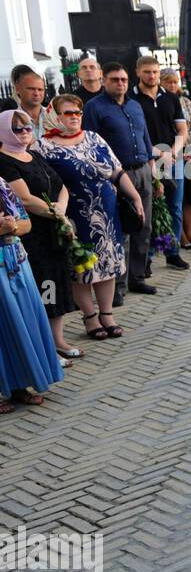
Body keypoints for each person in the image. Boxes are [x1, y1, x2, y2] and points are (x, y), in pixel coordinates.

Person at [37, 94, 137, 342]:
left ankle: (107, 314)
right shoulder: (42, 146)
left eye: (78, 113)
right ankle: (90, 317)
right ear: (54, 115)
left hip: (107, 213)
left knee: (109, 263)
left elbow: (116, 169)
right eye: (68, 112)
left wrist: (134, 197)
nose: (74, 117)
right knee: (82, 268)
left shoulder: (93, 137)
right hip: (75, 215)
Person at [0, 110, 79, 358]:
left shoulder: (33, 155)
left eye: (27, 127)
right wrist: (58, 215)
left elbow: (61, 186)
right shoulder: (3, 160)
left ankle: (58, 341)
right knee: (39, 290)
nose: (25, 132)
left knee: (56, 285)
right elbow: (24, 199)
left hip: (52, 231)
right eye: (17, 128)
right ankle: (44, 348)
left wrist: (62, 209)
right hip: (30, 236)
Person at [83, 62, 155, 296]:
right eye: (115, 79)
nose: (120, 83)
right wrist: (104, 180)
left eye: (123, 79)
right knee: (119, 231)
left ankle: (138, 278)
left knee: (143, 226)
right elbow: (90, 145)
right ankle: (118, 288)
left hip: (143, 169)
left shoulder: (134, 106)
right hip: (115, 176)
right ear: (104, 80)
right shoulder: (94, 107)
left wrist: (152, 170)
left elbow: (145, 137)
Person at [0, 175, 63, 411]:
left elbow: (26, 223)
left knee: (20, 325)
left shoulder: (1, 184)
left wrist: (13, 226)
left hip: (15, 263)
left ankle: (18, 386)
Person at [131, 55, 189, 272]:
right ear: (138, 72)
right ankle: (147, 258)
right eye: (147, 71)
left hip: (173, 160)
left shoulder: (171, 98)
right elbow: (135, 134)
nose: (152, 76)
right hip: (146, 161)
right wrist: (157, 153)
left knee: (174, 206)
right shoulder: (131, 99)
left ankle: (172, 252)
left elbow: (182, 130)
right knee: (150, 208)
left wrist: (173, 152)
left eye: (155, 71)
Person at [161, 68, 191, 248]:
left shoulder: (185, 101)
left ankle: (190, 232)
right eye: (168, 81)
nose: (172, 85)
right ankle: (180, 236)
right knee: (175, 198)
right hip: (169, 153)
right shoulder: (161, 102)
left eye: (175, 81)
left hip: (188, 153)